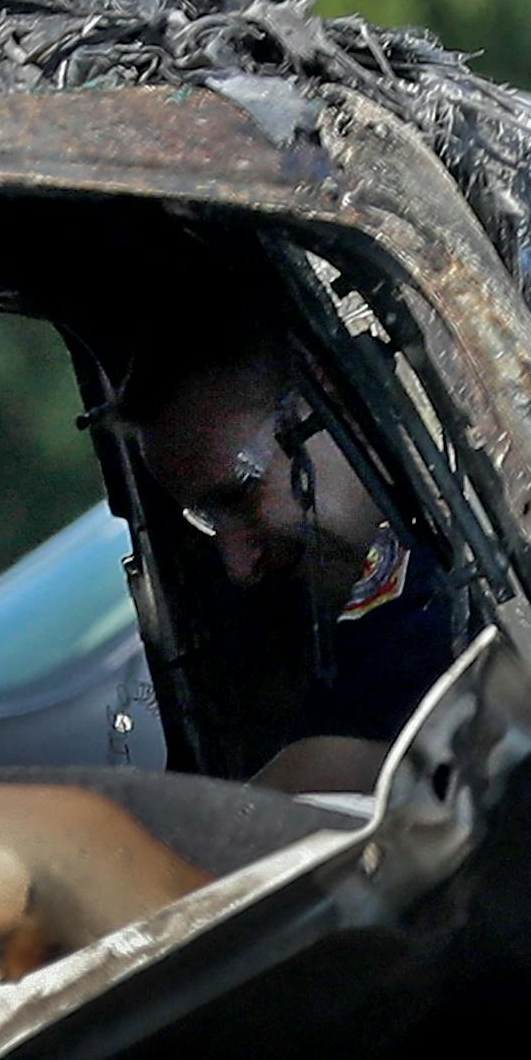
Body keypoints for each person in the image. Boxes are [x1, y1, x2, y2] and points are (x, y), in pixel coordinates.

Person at [104, 305, 456, 785]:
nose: (239, 566)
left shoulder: (458, 575)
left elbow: (319, 778)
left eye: (241, 492)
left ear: (330, 401)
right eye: (208, 520)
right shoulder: (361, 626)